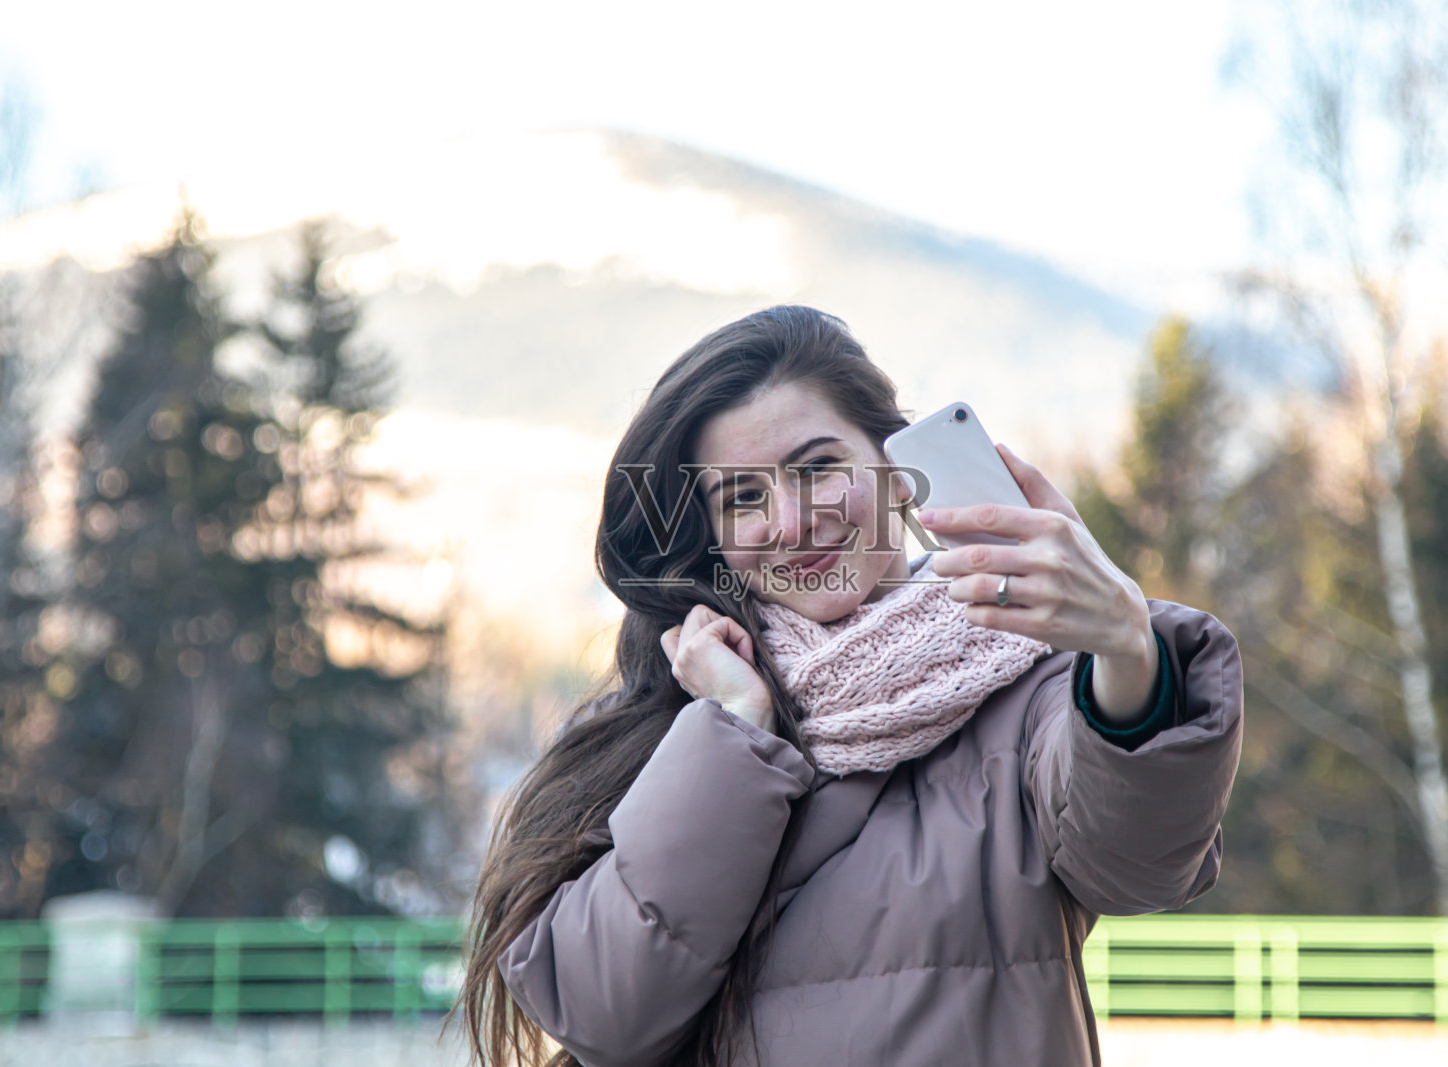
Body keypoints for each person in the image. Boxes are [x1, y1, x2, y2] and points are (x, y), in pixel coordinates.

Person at [454, 305, 1243, 1067]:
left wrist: (1127, 653)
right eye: (743, 497)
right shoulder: (675, 712)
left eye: (818, 468)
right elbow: (601, 1012)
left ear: (900, 475)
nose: (790, 521)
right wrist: (735, 727)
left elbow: (1140, 864)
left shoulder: (1030, 678)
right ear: (716, 540)